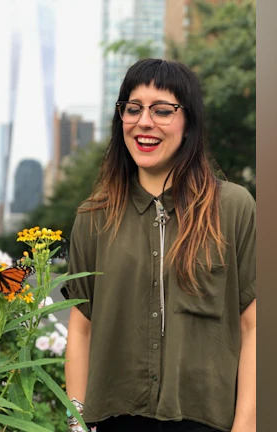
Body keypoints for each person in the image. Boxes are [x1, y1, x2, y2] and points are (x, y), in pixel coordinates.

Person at [61, 59, 256, 432]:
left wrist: (246, 425)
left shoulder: (233, 208)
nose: (144, 122)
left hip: (208, 420)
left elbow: (254, 327)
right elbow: (81, 327)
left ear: (189, 125)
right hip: (115, 419)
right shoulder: (94, 216)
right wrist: (77, 422)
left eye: (162, 110)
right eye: (133, 109)